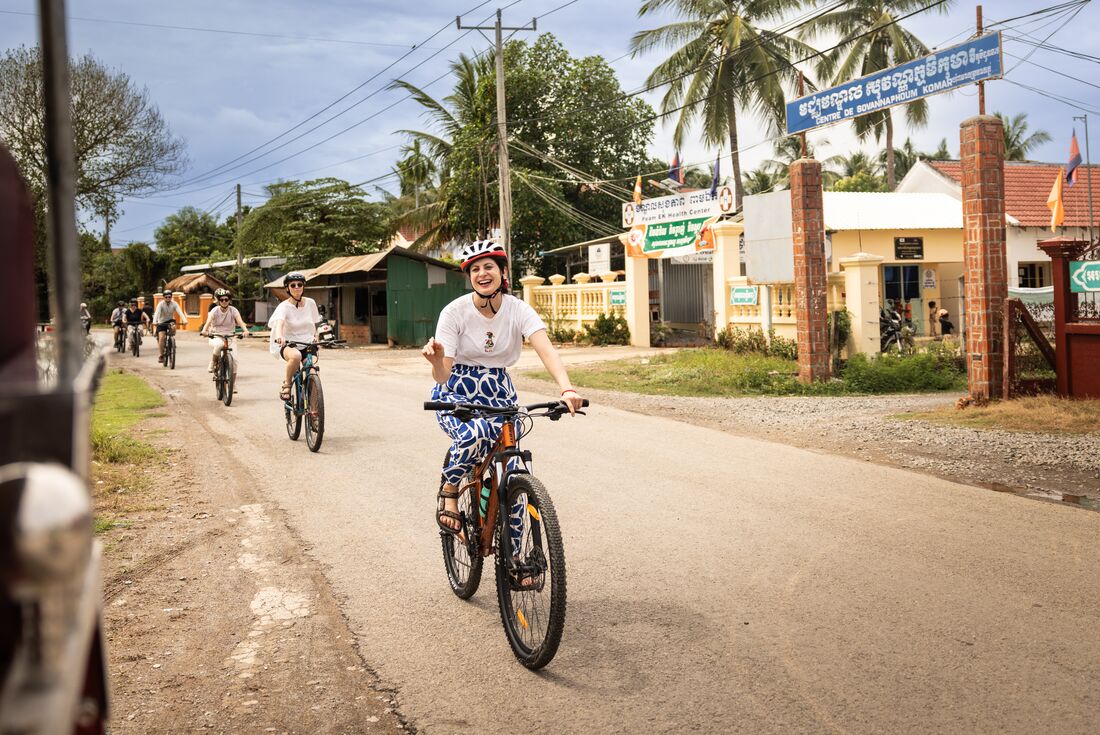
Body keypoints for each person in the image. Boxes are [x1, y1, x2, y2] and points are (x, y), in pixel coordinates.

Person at [421, 239, 584, 536]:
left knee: (513, 470)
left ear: (502, 271)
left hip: (500, 391)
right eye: (475, 270)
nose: (482, 274)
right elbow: (443, 375)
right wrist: (435, 362)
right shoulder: (454, 312)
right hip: (457, 388)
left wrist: (567, 389)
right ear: (469, 277)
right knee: (477, 434)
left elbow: (547, 351)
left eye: (488, 267)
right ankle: (450, 488)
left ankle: (518, 563)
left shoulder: (519, 309)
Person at [268, 272, 320, 401]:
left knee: (312, 372)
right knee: (296, 356)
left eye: (299, 284)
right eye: (293, 285)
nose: (296, 287)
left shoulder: (311, 303)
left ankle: (314, 410)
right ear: (287, 288)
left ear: (303, 286)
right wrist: (280, 336)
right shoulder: (283, 306)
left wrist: (316, 336)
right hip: (289, 344)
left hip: (308, 343)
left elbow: (315, 322)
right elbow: (279, 323)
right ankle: (287, 384)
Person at [200, 288, 250, 374]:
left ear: (229, 300)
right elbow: (208, 322)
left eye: (226, 299)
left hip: (230, 336)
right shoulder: (214, 310)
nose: (224, 301)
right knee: (219, 345)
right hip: (215, 335)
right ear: (218, 301)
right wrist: (204, 331)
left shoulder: (233, 310)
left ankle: (232, 384)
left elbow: (240, 321)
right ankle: (213, 362)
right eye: (221, 299)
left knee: (234, 360)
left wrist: (245, 331)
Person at [153, 290, 189, 363]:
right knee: (161, 337)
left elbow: (180, 312)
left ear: (171, 297)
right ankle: (161, 355)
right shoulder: (160, 304)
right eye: (166, 297)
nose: (168, 298)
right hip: (161, 322)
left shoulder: (174, 303)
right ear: (163, 297)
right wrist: (155, 321)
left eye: (169, 297)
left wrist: (185, 320)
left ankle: (171, 341)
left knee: (173, 327)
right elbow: (157, 313)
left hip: (170, 321)